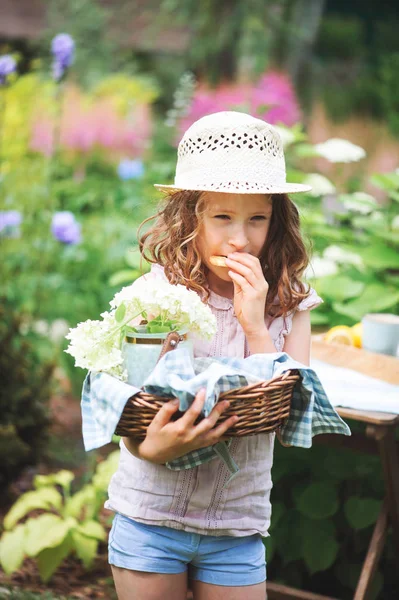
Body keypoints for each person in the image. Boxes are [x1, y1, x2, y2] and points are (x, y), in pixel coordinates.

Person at [105, 111, 323, 600]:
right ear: (190, 217)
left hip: (237, 528)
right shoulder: (155, 296)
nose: (240, 238)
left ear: (278, 219)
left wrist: (254, 323)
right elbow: (131, 405)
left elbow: (292, 416)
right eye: (222, 217)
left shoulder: (291, 303)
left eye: (257, 218)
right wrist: (153, 449)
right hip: (151, 517)